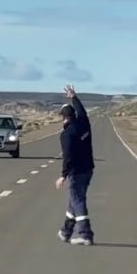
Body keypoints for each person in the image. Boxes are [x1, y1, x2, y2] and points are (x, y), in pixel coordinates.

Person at [55, 83, 95, 245]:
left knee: (78, 201)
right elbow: (82, 112)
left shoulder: (66, 135)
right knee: (75, 200)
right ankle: (66, 232)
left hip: (76, 172)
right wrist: (74, 97)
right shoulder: (84, 123)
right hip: (88, 169)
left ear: (63, 118)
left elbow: (68, 156)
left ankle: (86, 235)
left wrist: (63, 175)